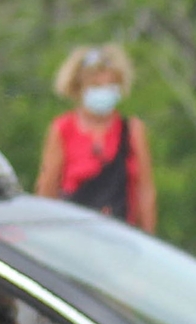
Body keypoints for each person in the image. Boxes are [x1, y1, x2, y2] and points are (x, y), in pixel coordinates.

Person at [35, 44, 158, 232]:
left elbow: (145, 191)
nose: (104, 91)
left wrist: (149, 237)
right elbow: (47, 187)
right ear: (79, 88)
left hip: (119, 230)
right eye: (96, 86)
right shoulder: (63, 129)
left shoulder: (132, 130)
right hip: (73, 230)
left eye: (110, 85)